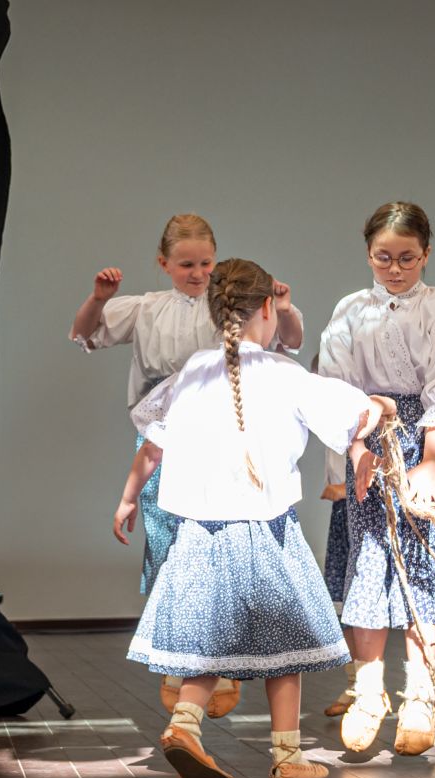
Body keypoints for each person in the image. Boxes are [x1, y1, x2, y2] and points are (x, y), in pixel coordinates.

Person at [113, 258, 389, 778]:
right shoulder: (285, 374)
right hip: (267, 532)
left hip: (200, 534)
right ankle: (287, 756)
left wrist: (127, 500)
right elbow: (353, 413)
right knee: (285, 648)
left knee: (208, 645)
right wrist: (373, 419)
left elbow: (151, 447)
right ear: (267, 307)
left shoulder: (193, 372)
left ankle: (184, 724)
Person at [70, 214, 303, 718]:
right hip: (164, 427)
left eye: (205, 264)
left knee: (218, 537)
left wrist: (282, 308)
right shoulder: (147, 308)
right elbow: (85, 333)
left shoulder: (225, 306)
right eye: (186, 265)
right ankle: (180, 659)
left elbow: (287, 339)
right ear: (164, 264)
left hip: (216, 426)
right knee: (167, 538)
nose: (197, 274)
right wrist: (99, 299)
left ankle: (220, 658)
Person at [320, 202, 435, 755]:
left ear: (426, 254)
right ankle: (368, 692)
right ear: (368, 254)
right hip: (369, 439)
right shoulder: (350, 310)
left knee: (420, 564)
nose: (394, 268)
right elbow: (337, 389)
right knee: (369, 562)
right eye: (383, 257)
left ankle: (420, 693)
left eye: (407, 257)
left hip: (426, 440)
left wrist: (430, 463)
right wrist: (357, 447)